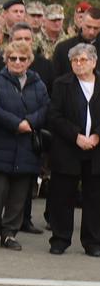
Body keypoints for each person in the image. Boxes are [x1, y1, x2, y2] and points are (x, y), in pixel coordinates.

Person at [0, 41, 49, 250]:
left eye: (22, 58)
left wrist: (30, 122)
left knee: (19, 195)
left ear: (29, 61)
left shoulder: (38, 84)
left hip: (27, 147)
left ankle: (9, 233)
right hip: (0, 144)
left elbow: (46, 107)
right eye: (13, 58)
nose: (17, 62)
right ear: (6, 59)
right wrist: (16, 124)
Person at [46, 43, 100, 256]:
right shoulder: (62, 84)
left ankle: (93, 241)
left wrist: (96, 135)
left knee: (95, 198)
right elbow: (54, 115)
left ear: (94, 62)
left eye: (83, 60)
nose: (79, 64)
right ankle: (60, 239)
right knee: (62, 195)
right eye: (75, 60)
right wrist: (76, 136)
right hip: (68, 147)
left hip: (96, 150)